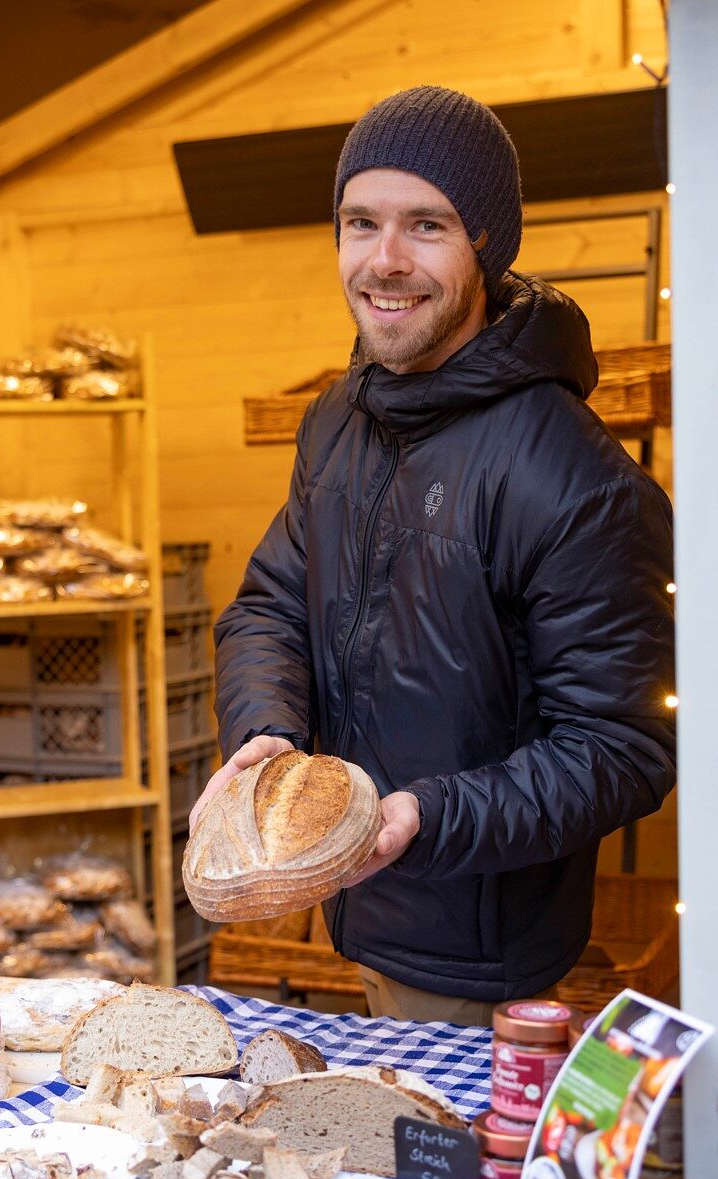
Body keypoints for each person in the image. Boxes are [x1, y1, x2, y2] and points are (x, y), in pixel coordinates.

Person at [197, 85, 675, 1024]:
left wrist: (424, 818)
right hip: (348, 907)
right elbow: (268, 606)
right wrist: (266, 731)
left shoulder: (567, 470)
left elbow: (621, 747)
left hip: (485, 964)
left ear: (485, 249)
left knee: (442, 1173)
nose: (383, 259)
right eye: (358, 222)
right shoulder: (339, 420)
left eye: (426, 225)